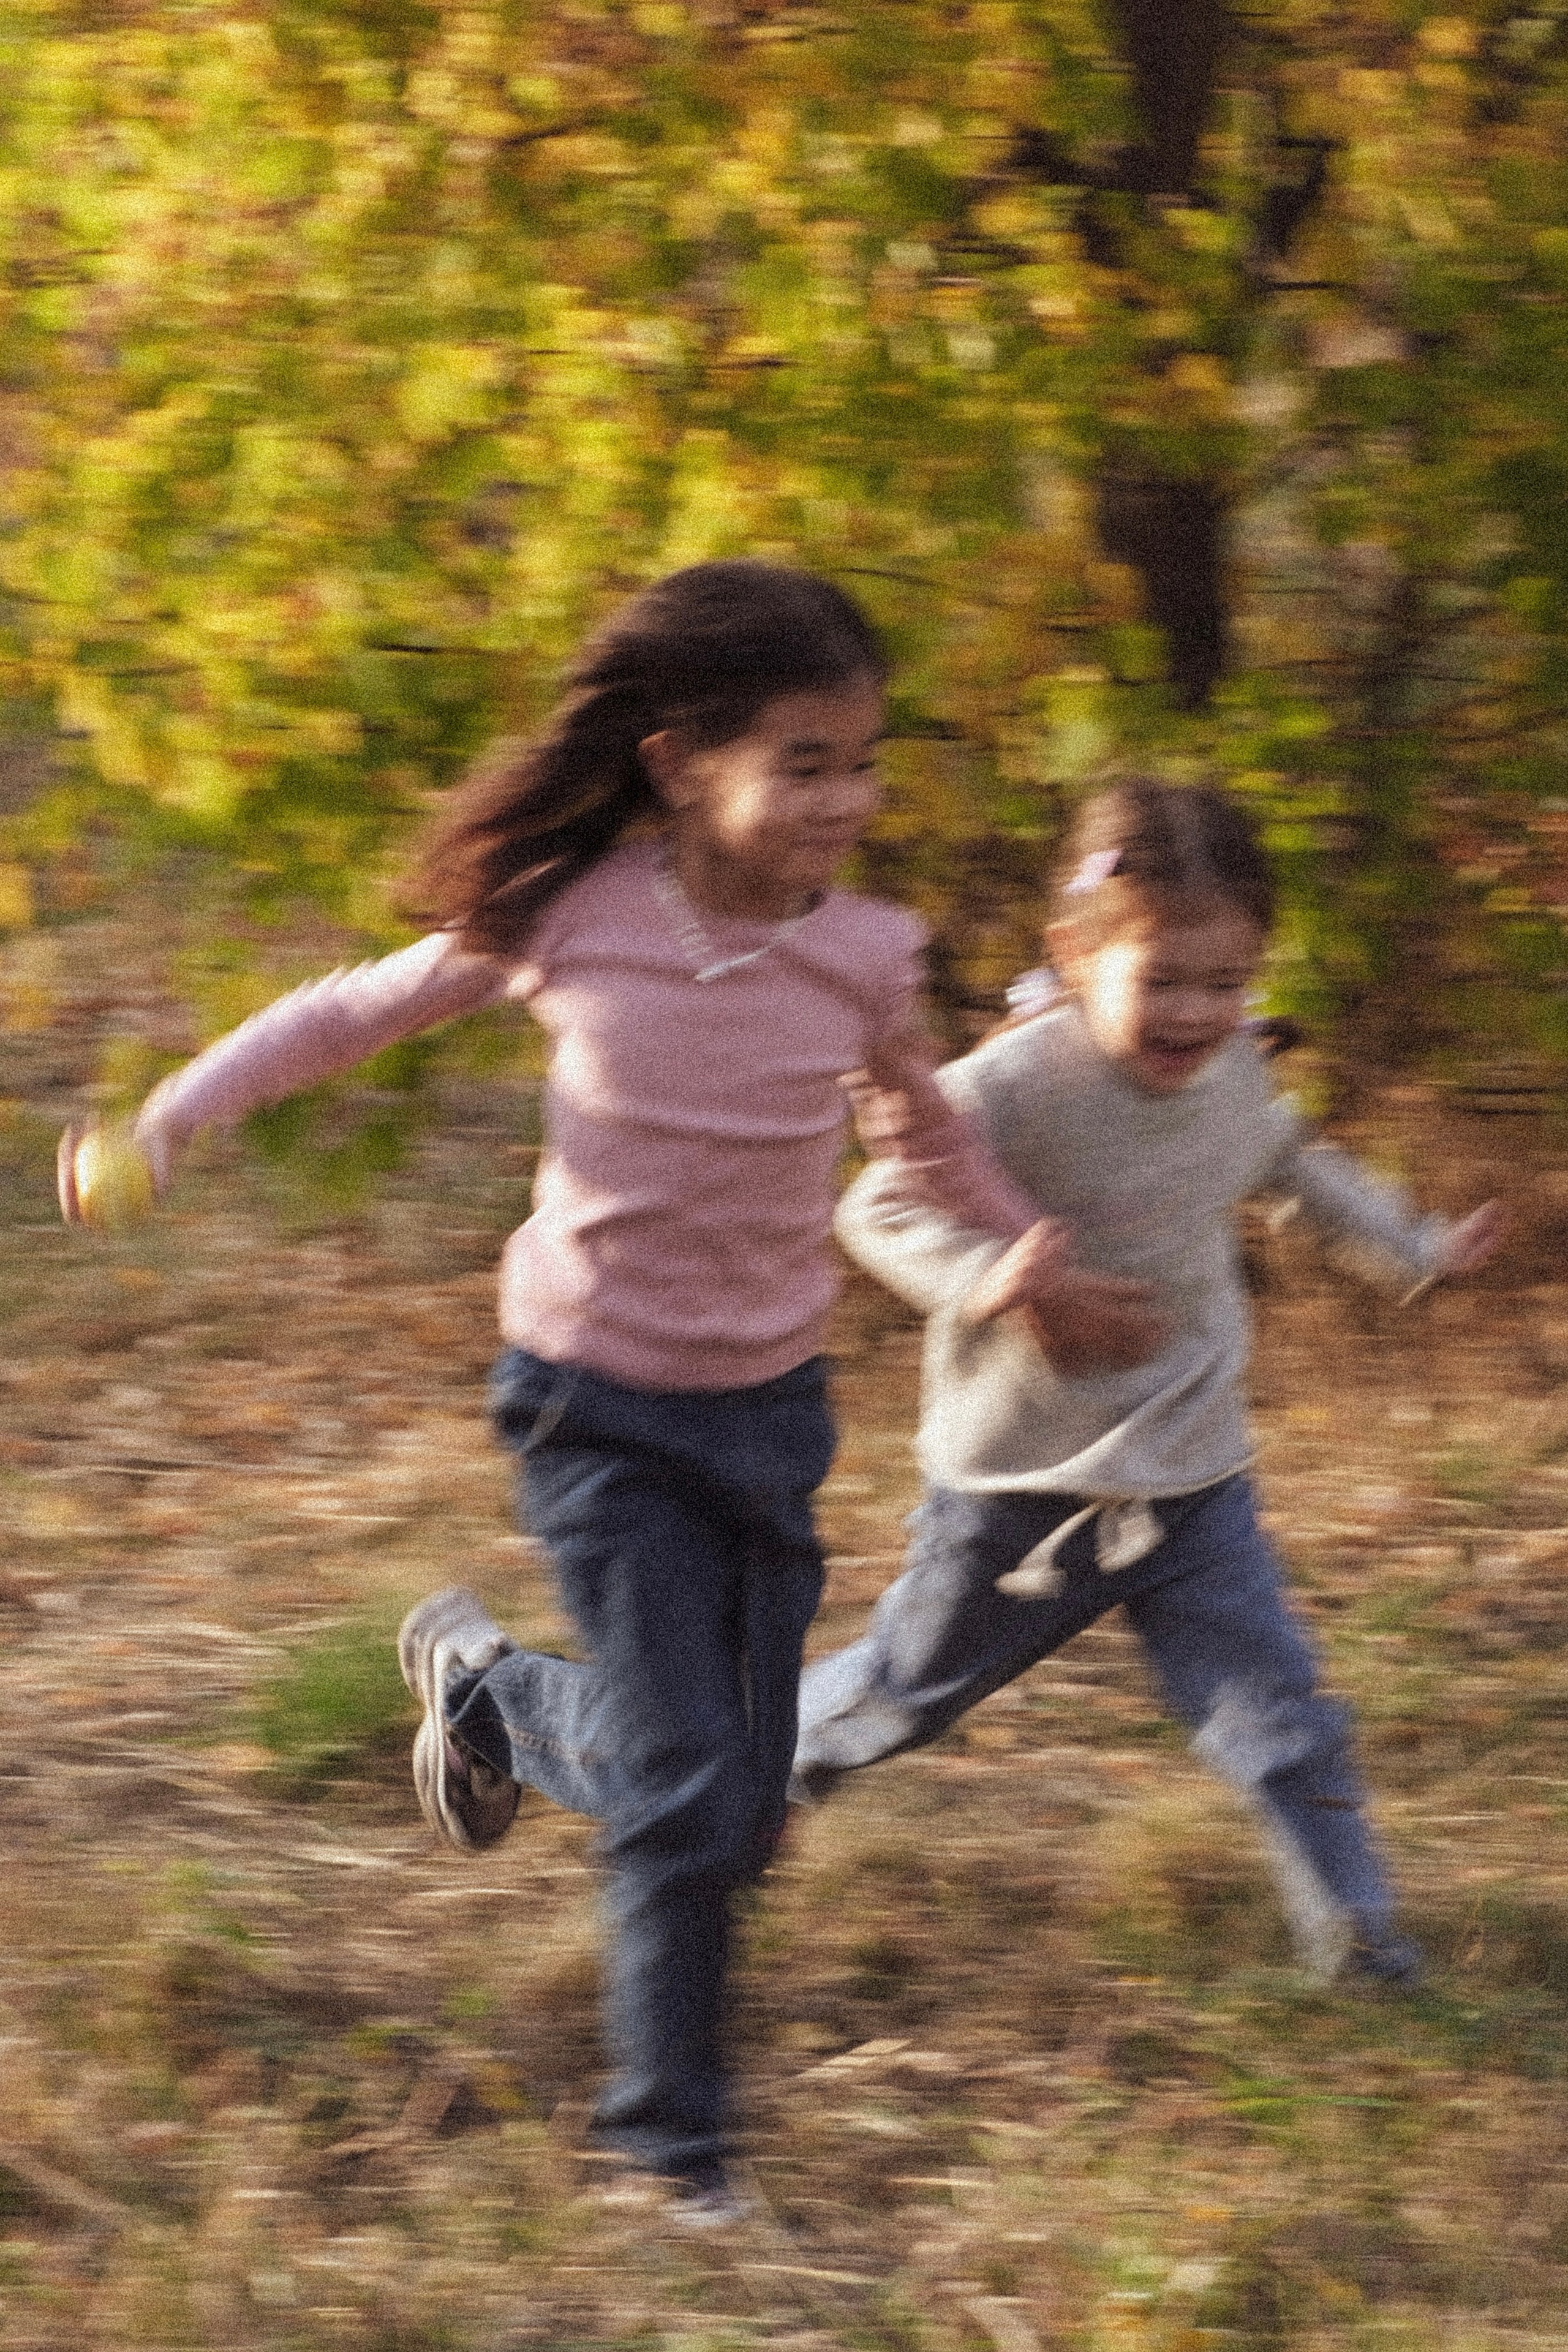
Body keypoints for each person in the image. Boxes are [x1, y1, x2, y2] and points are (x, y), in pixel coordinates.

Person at [59, 560, 1074, 2223]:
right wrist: (174, 1116)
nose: (847, 800)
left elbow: (932, 1133)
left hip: (772, 1410)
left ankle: (490, 1698)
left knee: (738, 1813)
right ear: (681, 762)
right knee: (686, 1796)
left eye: (865, 761)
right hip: (592, 1406)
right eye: (803, 762)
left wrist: (1031, 1250)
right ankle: (668, 2156)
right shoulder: (569, 913)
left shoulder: (871, 957)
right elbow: (350, 1011)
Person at [794, 777, 1503, 1985]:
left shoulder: (1231, 1073)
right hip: (1020, 1485)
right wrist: (994, 1282)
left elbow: (1287, 1162)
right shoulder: (1013, 1088)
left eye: (1224, 984)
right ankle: (710, 1784)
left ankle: (1361, 1949)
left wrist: (1411, 1249)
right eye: (1163, 980)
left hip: (1187, 1475)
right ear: (1073, 955)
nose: (1196, 1013)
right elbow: (876, 1204)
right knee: (894, 1703)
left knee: (1279, 1719)